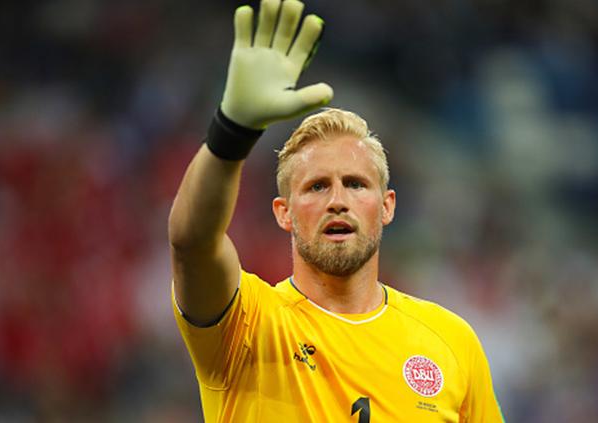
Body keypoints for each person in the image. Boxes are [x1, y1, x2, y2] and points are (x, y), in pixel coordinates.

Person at [168, 0, 505, 421]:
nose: (337, 200)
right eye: (316, 187)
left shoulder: (451, 342)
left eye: (356, 184)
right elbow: (192, 242)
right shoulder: (247, 324)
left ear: (387, 206)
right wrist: (231, 130)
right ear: (283, 212)